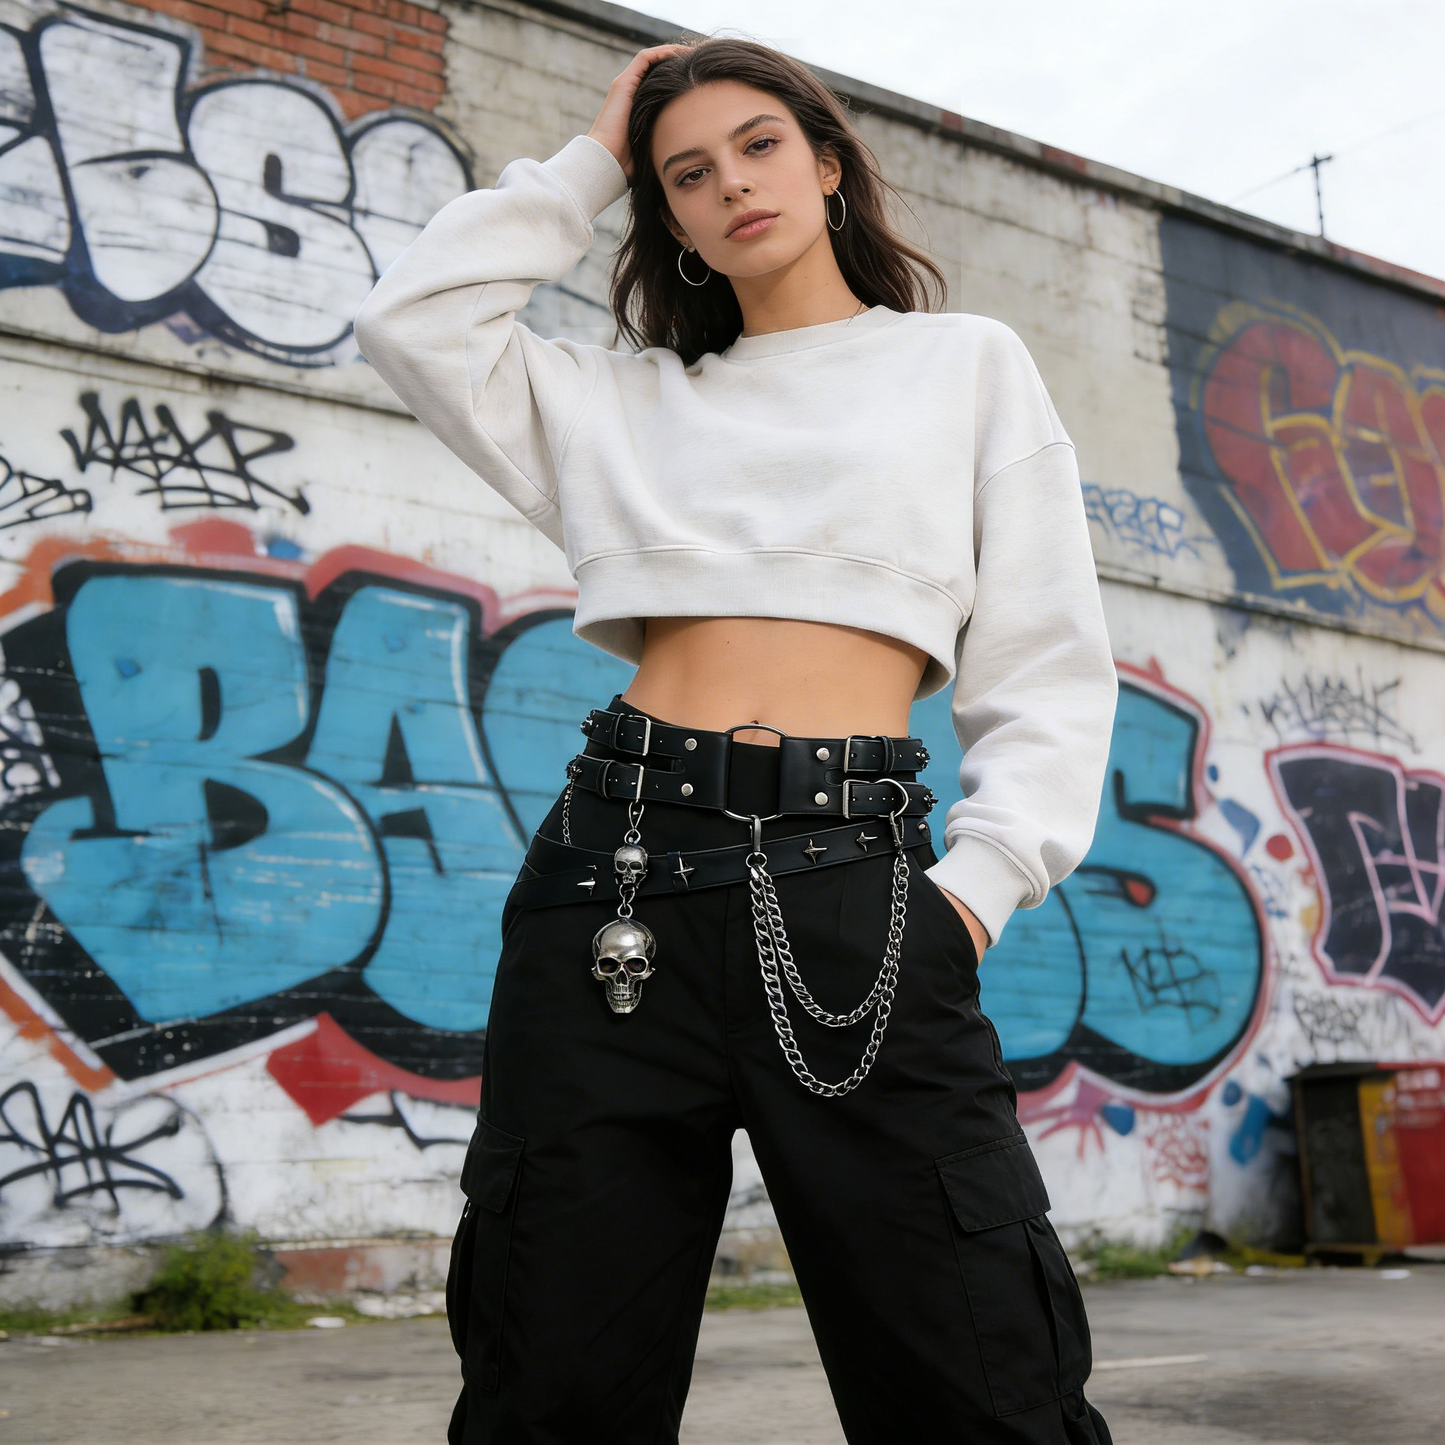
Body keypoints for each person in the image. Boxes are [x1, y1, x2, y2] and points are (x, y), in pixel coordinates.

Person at [353, 33, 1118, 1445]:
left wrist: (980, 891)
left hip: (864, 896)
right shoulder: (621, 401)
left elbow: (1047, 658)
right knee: (553, 1376)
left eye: (761, 146)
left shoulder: (963, 366)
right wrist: (592, 155)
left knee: (979, 1368)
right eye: (685, 174)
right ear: (670, 219)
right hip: (616, 879)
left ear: (828, 164)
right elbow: (413, 321)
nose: (731, 186)